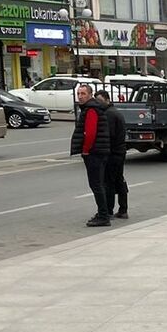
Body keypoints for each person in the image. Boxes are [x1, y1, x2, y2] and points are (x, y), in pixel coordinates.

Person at [70, 82, 111, 227]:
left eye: (83, 94)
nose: (80, 97)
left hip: (95, 152)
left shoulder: (91, 109)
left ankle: (103, 216)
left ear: (90, 95)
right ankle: (103, 212)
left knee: (96, 184)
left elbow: (91, 133)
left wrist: (86, 150)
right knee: (98, 183)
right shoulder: (92, 108)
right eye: (78, 94)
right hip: (99, 151)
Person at [96, 90, 129, 221]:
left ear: (106, 99)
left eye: (99, 101)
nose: (98, 104)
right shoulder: (115, 112)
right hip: (120, 152)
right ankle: (123, 209)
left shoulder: (109, 114)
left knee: (109, 182)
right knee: (119, 180)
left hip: (113, 153)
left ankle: (109, 210)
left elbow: (109, 135)